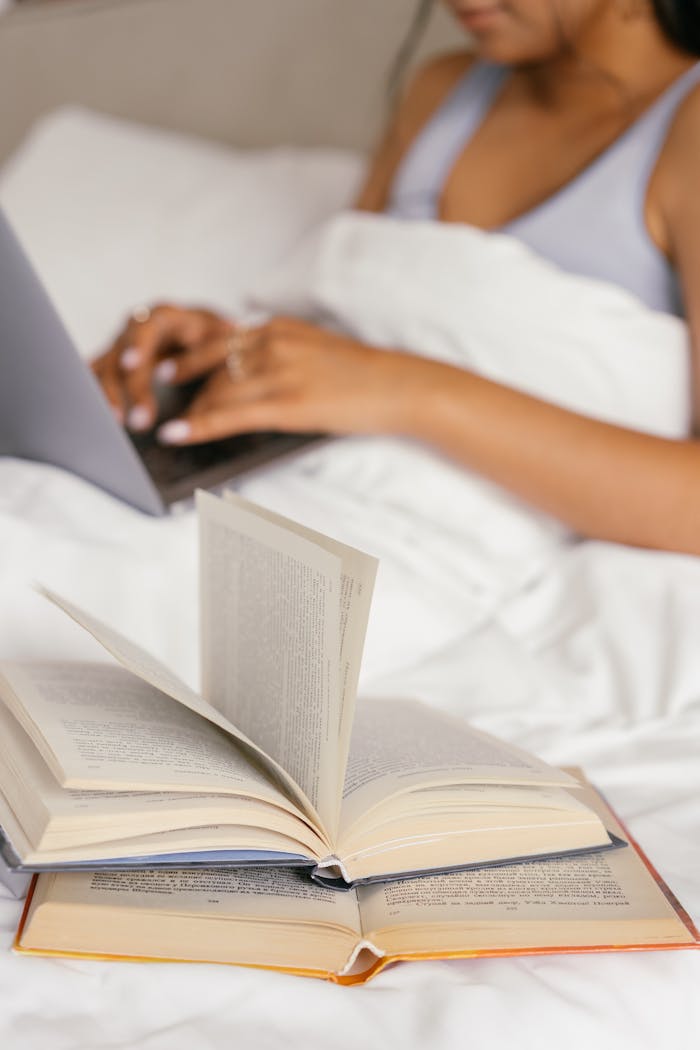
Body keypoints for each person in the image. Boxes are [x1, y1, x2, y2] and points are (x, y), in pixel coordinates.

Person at [93, 1, 700, 554]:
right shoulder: (444, 91)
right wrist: (232, 351)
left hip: (438, 544)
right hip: (290, 478)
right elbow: (354, 325)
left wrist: (404, 390)